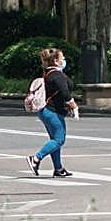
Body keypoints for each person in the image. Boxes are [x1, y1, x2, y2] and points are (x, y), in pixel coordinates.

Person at [26, 46, 79, 179]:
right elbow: (65, 93)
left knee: (54, 140)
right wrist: (73, 106)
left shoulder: (49, 73)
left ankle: (58, 168)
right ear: (55, 61)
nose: (64, 60)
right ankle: (36, 159)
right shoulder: (57, 75)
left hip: (46, 111)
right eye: (62, 58)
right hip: (52, 111)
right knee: (59, 140)